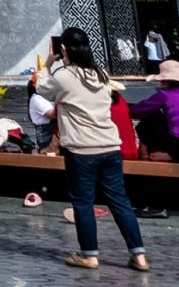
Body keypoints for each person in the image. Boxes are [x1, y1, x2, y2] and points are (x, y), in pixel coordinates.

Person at [40, 28, 149, 271]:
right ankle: (139, 255)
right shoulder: (100, 74)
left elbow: (42, 90)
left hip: (81, 150)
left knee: (83, 202)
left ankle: (89, 255)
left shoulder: (64, 76)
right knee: (119, 201)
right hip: (110, 147)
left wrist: (48, 64)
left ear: (64, 49)